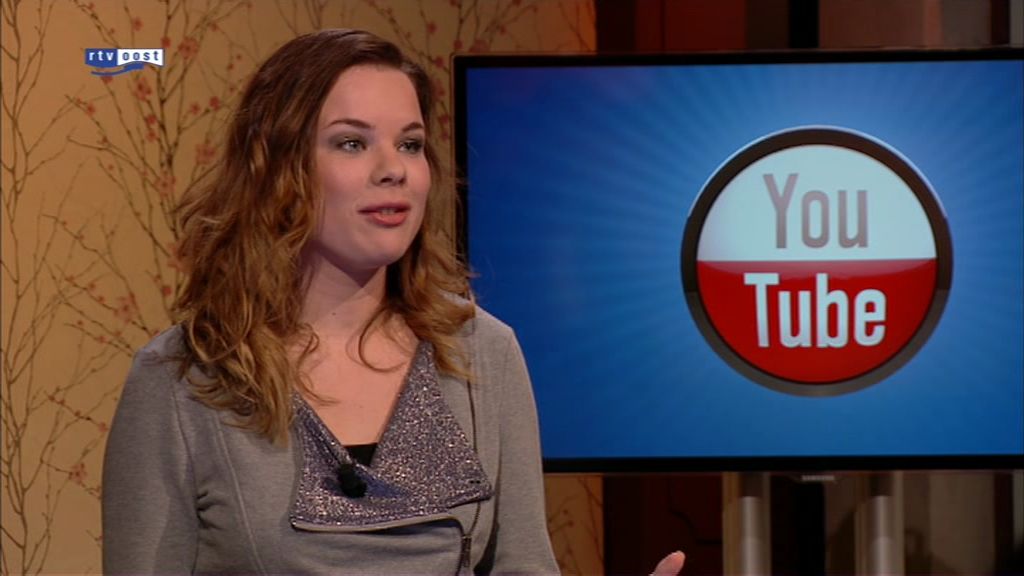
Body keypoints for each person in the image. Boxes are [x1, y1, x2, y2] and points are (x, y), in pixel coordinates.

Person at [102, 28, 685, 575]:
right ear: (277, 168)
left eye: (410, 144)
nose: (394, 170)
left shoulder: (482, 352)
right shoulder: (182, 379)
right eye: (352, 143)